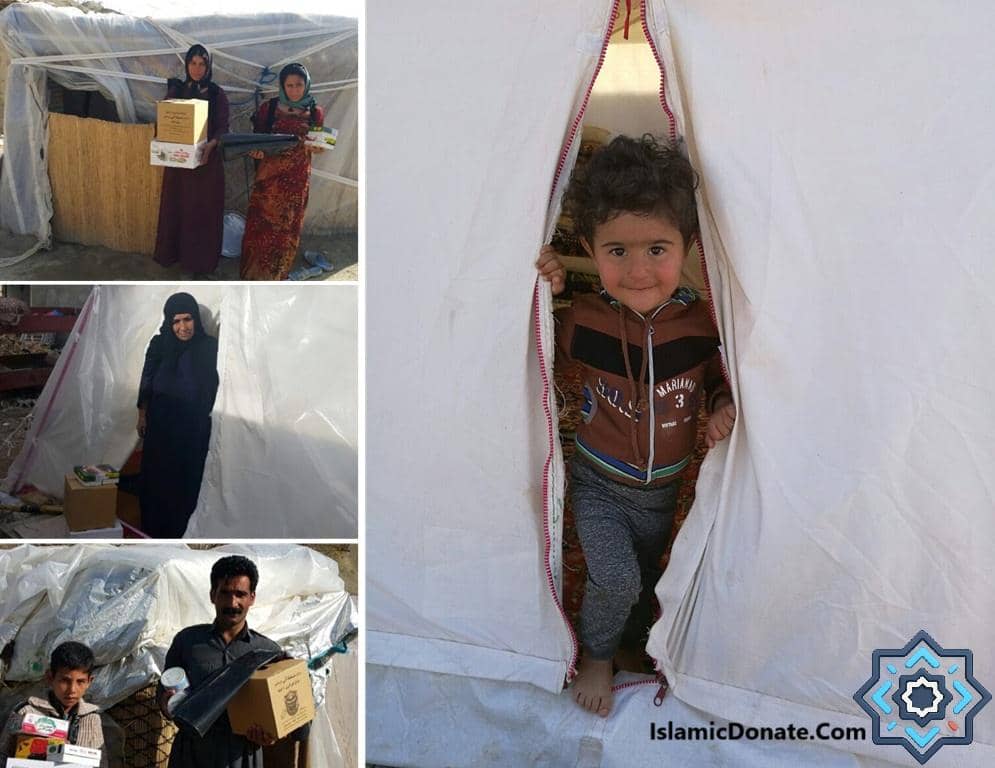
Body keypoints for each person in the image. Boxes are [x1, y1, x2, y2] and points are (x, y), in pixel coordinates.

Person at [536, 135, 737, 717]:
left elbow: (720, 378)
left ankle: (632, 645)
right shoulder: (584, 318)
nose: (639, 270)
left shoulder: (702, 322)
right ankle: (596, 654)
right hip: (599, 484)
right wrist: (547, 283)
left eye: (657, 248)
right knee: (617, 579)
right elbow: (531, 339)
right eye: (617, 251)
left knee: (649, 582)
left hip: (666, 491)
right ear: (590, 248)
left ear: (689, 247)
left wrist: (722, 403)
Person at [159, 555, 302, 768]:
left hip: (243, 756)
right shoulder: (187, 642)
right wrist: (167, 704)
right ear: (212, 595)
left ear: (252, 598)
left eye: (240, 594)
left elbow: (283, 717)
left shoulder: (268, 652)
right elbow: (163, 696)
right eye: (225, 593)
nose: (232, 603)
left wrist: (270, 736)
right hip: (191, 755)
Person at [137, 292, 219, 538]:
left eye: (187, 319)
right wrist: (142, 414)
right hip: (162, 422)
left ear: (196, 319)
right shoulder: (160, 345)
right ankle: (154, 527)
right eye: (176, 321)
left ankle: (180, 528)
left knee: (187, 478)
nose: (183, 327)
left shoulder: (209, 347)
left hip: (193, 427)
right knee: (157, 476)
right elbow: (147, 379)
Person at [239, 62, 326, 280]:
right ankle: (253, 276)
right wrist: (255, 152)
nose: (294, 90)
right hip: (268, 181)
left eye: (299, 84)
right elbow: (255, 141)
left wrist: (318, 148)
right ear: (282, 86)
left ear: (306, 85)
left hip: (296, 182)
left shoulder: (316, 112)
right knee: (260, 227)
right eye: (290, 85)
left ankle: (277, 276)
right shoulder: (268, 109)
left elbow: (320, 147)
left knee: (286, 231)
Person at [154, 44, 230, 275]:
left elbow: (222, 127)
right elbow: (165, 119)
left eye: (202, 64)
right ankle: (174, 255)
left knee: (201, 212)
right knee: (178, 208)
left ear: (208, 67)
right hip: (180, 165)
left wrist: (211, 145)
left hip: (206, 165)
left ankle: (200, 262)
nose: (197, 69)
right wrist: (162, 138)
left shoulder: (216, 94)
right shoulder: (177, 90)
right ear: (187, 65)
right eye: (193, 63)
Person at [0, 642, 108, 766]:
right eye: (65, 680)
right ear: (50, 677)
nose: (72, 690)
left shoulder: (92, 719)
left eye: (80, 682)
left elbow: (101, 763)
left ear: (89, 682)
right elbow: (3, 755)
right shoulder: (27, 712)